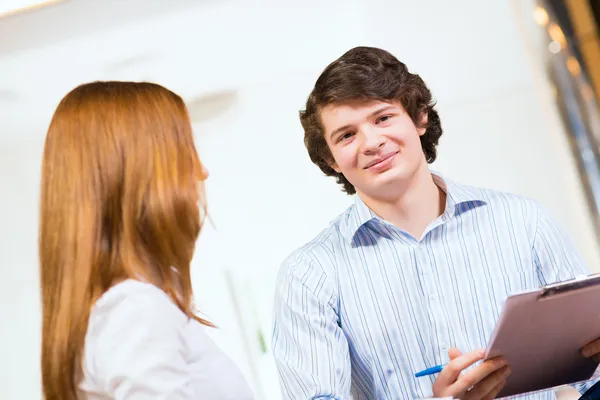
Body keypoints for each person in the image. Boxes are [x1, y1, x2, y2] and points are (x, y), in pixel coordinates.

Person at [271, 46, 600, 399]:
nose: (371, 142)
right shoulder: (308, 275)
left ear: (419, 118)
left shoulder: (524, 222)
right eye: (346, 135)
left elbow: (592, 370)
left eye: (382, 118)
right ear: (331, 159)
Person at [39, 81, 254, 400]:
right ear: (139, 173)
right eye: (183, 151)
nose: (201, 170)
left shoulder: (124, 308)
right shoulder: (133, 308)